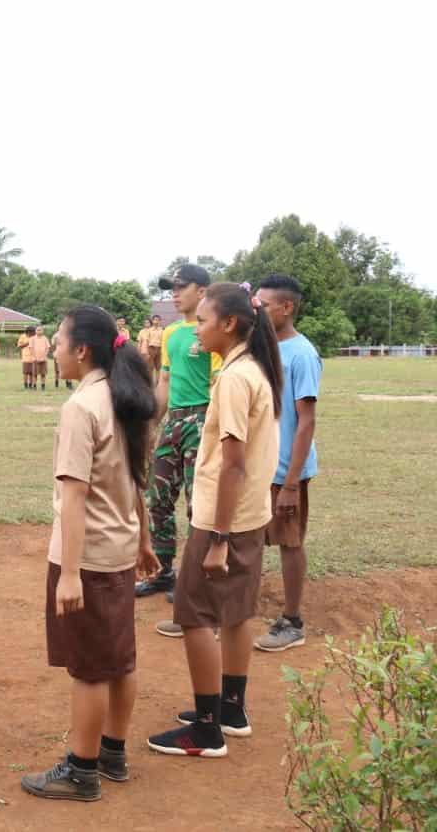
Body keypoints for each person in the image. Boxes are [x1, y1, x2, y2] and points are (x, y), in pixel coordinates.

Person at [21, 305, 160, 802]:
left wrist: (71, 574)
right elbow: (134, 479)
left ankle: (81, 770)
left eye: (58, 342)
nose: (54, 349)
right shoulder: (122, 396)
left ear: (81, 350)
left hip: (89, 556)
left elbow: (75, 497)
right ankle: (112, 754)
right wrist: (142, 538)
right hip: (119, 550)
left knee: (89, 669)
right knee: (119, 659)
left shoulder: (82, 407)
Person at [147, 282, 281, 758]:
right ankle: (231, 709)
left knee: (194, 615)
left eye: (203, 320)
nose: (196, 328)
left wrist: (218, 537)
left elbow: (233, 464)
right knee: (237, 611)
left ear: (229, 323)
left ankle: (206, 730)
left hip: (224, 519)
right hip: (249, 515)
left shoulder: (233, 378)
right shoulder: (254, 368)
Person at [140, 264, 221, 642]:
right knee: (157, 499)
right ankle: (163, 570)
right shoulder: (172, 332)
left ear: (201, 291)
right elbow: (166, 380)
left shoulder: (213, 331)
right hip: (174, 420)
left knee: (196, 503)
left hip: (203, 418)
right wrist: (155, 421)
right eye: (171, 288)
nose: (174, 294)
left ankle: (196, 579)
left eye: (181, 287)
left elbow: (218, 381)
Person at [252, 275, 320, 653]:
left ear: (287, 307)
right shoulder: (263, 349)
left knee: (289, 542)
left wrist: (292, 483)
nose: (258, 310)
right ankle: (235, 610)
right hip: (258, 467)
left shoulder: (302, 354)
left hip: (285, 470)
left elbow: (305, 420)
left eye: (264, 305)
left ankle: (292, 621)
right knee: (248, 539)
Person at [31, 326, 51, 391]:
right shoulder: (32, 339)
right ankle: (34, 386)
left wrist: (44, 356)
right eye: (37, 330)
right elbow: (31, 348)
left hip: (43, 359)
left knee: (43, 374)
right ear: (35, 331)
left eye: (40, 330)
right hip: (35, 359)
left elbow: (48, 348)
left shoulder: (45, 338)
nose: (39, 331)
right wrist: (34, 357)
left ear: (42, 331)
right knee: (35, 374)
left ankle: (43, 386)